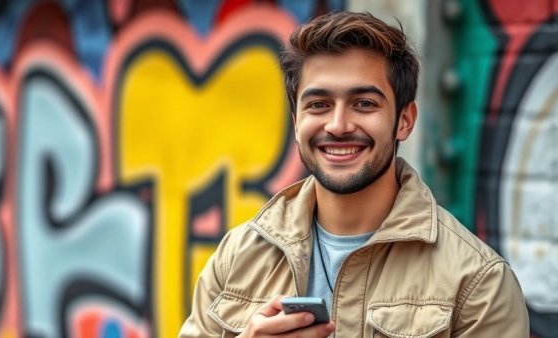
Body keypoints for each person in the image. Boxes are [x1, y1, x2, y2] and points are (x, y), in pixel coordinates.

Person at [179, 11, 529, 337]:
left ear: (404, 120)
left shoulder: (478, 284)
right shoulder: (237, 256)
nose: (338, 125)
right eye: (318, 104)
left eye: (364, 103)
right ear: (296, 121)